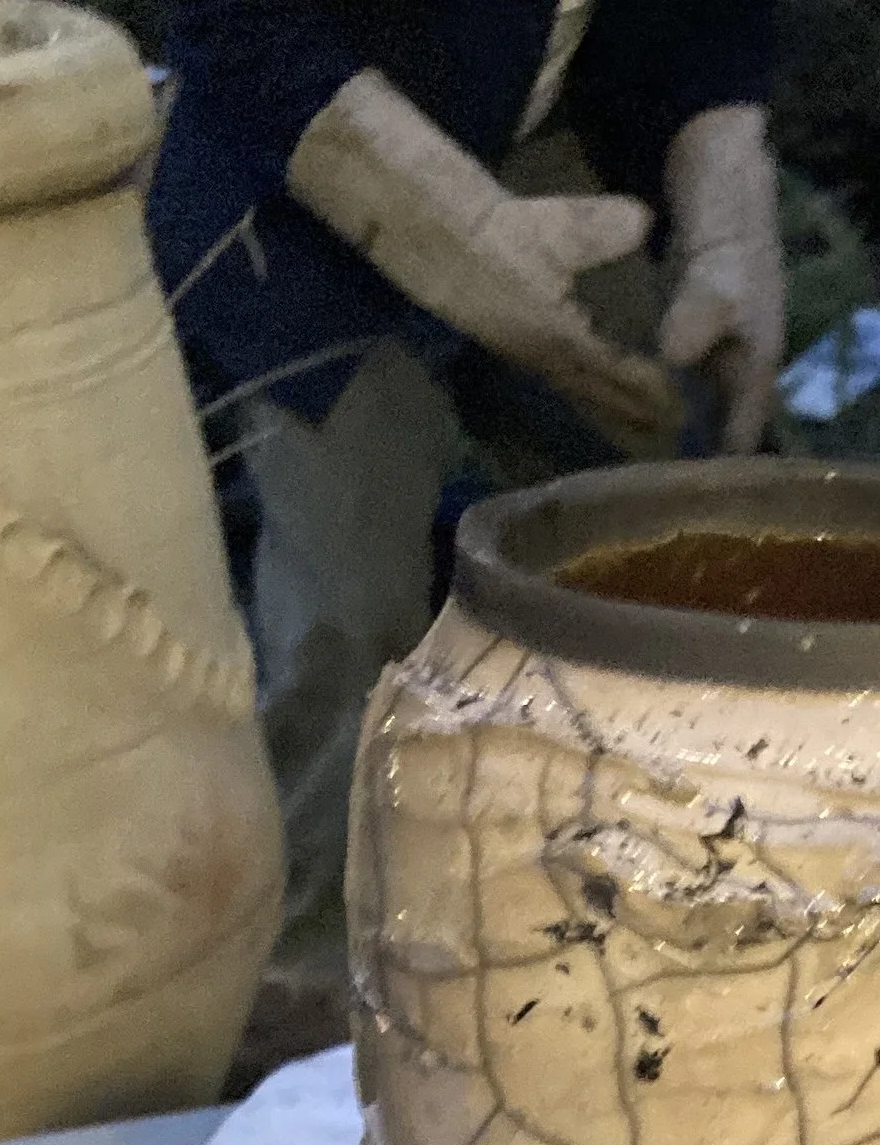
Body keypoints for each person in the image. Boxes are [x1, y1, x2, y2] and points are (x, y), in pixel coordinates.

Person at [150, 2, 784, 988]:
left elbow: (704, 29)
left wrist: (725, 223)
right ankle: (304, 987)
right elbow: (243, 27)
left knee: (678, 516)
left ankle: (654, 898)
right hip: (298, 170)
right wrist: (459, 228)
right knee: (350, 607)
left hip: (533, 143)